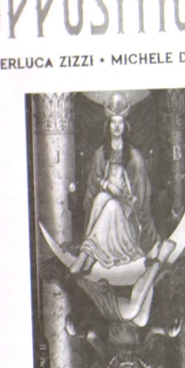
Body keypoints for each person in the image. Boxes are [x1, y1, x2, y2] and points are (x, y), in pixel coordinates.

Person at [69, 94, 157, 275]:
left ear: (125, 126)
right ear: (108, 126)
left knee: (111, 206)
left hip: (128, 213)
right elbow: (94, 184)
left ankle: (85, 256)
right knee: (101, 199)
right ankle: (90, 254)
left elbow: (140, 197)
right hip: (108, 201)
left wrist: (122, 195)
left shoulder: (134, 156)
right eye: (113, 122)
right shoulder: (101, 153)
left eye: (120, 122)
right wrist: (107, 186)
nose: (116, 126)